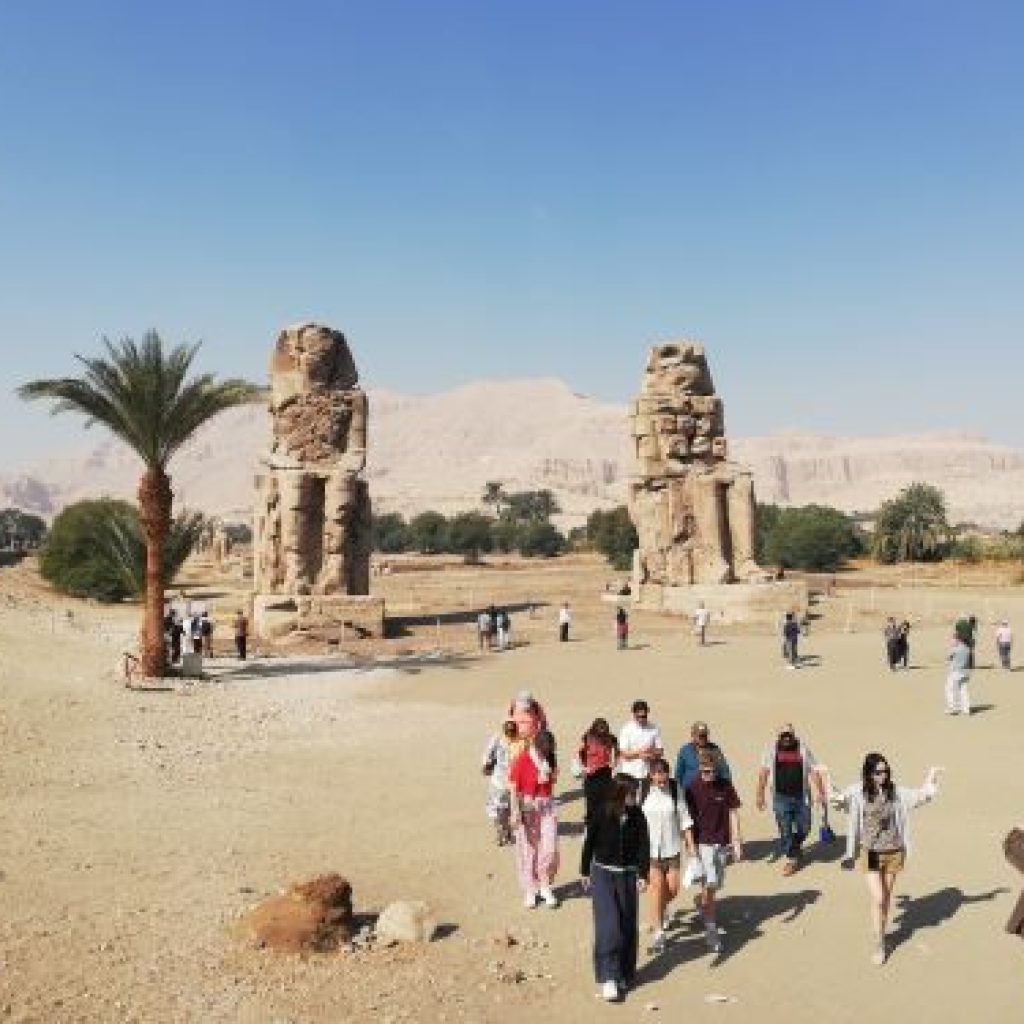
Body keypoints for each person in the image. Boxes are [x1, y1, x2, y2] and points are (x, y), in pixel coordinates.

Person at [824, 755, 942, 965]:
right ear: (869, 773)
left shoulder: (895, 792)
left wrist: (931, 776)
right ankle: (879, 944)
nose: (883, 775)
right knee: (878, 898)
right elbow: (838, 800)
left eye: (886, 771)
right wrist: (826, 777)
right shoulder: (858, 792)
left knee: (886, 899)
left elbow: (920, 796)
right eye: (878, 772)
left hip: (894, 852)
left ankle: (881, 935)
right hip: (871, 852)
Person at [581, 777, 650, 1002]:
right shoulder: (601, 813)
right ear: (621, 794)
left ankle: (624, 973)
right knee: (608, 925)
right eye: (633, 794)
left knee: (627, 925)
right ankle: (608, 977)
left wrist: (643, 874)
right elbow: (589, 842)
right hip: (602, 873)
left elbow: (644, 845)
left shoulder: (638, 815)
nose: (636, 797)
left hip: (628, 874)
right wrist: (584, 871)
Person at [684, 749, 743, 954]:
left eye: (711, 771)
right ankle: (711, 931)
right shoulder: (692, 788)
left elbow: (733, 812)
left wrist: (737, 841)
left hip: (722, 842)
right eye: (704, 771)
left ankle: (702, 904)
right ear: (700, 768)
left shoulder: (725, 786)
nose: (708, 775)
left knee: (716, 883)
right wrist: (691, 848)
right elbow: (686, 821)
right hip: (703, 843)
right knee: (710, 883)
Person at [640, 758, 696, 953]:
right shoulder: (642, 790)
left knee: (672, 890)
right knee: (656, 889)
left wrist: (691, 847)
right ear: (651, 775)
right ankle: (658, 934)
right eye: (656, 774)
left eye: (663, 774)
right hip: (650, 852)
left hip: (672, 849)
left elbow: (684, 817)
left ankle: (658, 912)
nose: (660, 778)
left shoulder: (674, 788)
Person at [756, 723, 826, 875]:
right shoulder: (771, 751)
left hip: (802, 797)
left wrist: (821, 792)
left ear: (793, 735)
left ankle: (794, 846)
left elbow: (814, 770)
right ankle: (792, 859)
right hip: (781, 798)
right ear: (779, 737)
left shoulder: (803, 749)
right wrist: (760, 795)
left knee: (805, 827)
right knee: (785, 829)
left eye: (789, 735)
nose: (786, 738)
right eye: (783, 735)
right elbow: (764, 772)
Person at [508, 729, 560, 909]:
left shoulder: (550, 758)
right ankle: (530, 890)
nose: (545, 753)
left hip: (547, 807)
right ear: (536, 746)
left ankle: (544, 885)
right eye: (543, 750)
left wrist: (549, 774)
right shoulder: (523, 759)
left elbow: (551, 782)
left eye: (548, 750)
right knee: (529, 850)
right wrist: (515, 811)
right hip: (528, 807)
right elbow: (513, 787)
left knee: (549, 849)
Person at [482, 719, 519, 846]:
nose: (510, 731)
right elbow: (487, 754)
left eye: (512, 729)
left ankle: (506, 832)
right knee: (499, 809)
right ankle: (502, 833)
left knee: (507, 809)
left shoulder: (520, 742)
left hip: (512, 783)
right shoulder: (497, 739)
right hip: (500, 782)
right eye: (508, 729)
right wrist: (486, 765)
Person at [578, 718, 619, 825]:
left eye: (604, 731)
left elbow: (616, 750)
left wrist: (614, 762)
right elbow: (580, 754)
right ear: (594, 730)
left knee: (605, 802)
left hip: (605, 772)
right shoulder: (587, 738)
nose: (602, 734)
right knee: (591, 803)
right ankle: (591, 825)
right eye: (600, 731)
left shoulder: (610, 738)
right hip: (591, 775)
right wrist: (584, 767)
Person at [617, 700, 663, 793]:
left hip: (648, 773)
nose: (642, 719)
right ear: (634, 714)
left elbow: (660, 751)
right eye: (639, 717)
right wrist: (640, 754)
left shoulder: (654, 728)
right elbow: (623, 753)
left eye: (644, 716)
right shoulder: (627, 729)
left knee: (646, 800)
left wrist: (651, 755)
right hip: (630, 774)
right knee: (630, 801)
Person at [675, 721, 732, 791]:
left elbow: (724, 771)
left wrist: (727, 788)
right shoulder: (685, 750)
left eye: (705, 735)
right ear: (693, 735)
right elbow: (679, 774)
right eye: (700, 735)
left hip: (711, 790)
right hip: (689, 791)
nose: (703, 738)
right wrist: (678, 791)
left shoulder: (715, 749)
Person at [946, 631, 972, 715]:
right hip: (965, 672)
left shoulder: (956, 648)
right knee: (964, 690)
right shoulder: (967, 648)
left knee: (950, 689)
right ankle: (966, 709)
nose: (952, 640)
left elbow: (949, 657)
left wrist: (952, 648)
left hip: (956, 671)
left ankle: (952, 708)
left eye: (953, 639)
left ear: (958, 639)